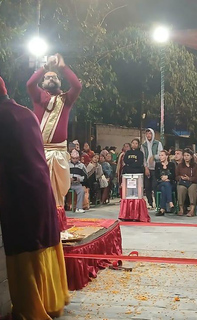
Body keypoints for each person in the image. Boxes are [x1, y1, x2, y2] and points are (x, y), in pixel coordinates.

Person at [0, 75, 69, 318]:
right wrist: (42, 68)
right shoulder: (28, 112)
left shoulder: (63, 101)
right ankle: (53, 302)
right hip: (41, 191)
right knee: (44, 244)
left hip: (19, 195)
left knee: (25, 249)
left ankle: (30, 308)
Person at [26, 53, 82, 231]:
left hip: (58, 153)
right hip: (39, 152)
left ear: (59, 81)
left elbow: (77, 85)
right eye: (47, 78)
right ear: (42, 84)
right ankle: (40, 223)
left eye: (54, 76)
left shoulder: (66, 99)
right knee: (40, 188)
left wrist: (63, 67)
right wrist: (45, 67)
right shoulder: (38, 97)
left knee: (59, 191)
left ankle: (56, 224)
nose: (51, 78)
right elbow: (29, 84)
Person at [141, 128, 163, 209]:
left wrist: (153, 157)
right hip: (147, 168)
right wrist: (146, 167)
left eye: (150, 133)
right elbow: (143, 158)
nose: (148, 135)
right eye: (147, 134)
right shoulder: (143, 145)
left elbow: (161, 155)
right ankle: (150, 203)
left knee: (155, 186)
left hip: (156, 167)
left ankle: (158, 204)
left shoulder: (158, 143)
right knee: (147, 187)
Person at [176, 148, 197, 216]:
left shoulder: (195, 166)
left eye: (188, 155)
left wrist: (189, 178)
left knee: (192, 189)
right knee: (180, 189)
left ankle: (192, 210)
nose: (186, 157)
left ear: (191, 156)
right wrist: (181, 177)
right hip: (182, 183)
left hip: (192, 183)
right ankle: (181, 209)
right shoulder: (180, 166)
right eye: (184, 155)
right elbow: (176, 176)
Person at [155, 150, 176, 215]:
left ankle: (162, 209)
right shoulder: (158, 164)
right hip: (160, 183)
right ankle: (170, 202)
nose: (160, 157)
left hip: (170, 184)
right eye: (160, 155)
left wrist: (167, 176)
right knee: (165, 184)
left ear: (166, 156)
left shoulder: (171, 164)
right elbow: (156, 175)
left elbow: (173, 175)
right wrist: (163, 178)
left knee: (165, 188)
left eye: (162, 155)